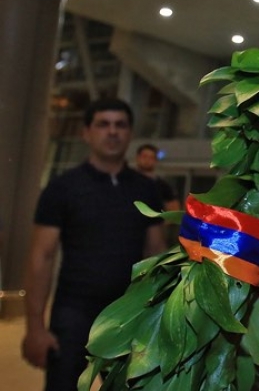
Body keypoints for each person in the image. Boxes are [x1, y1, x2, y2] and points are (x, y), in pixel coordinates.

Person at [21, 98, 167, 391]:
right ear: (86, 133)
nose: (112, 131)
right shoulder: (62, 188)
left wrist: (160, 319)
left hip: (128, 315)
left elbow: (156, 253)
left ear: (129, 133)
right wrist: (35, 327)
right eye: (103, 124)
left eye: (120, 125)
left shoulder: (146, 189)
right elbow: (41, 256)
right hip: (72, 314)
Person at [134, 143, 180, 213]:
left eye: (151, 158)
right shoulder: (127, 181)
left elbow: (174, 210)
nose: (147, 160)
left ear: (156, 161)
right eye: (144, 157)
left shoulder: (163, 186)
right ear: (137, 158)